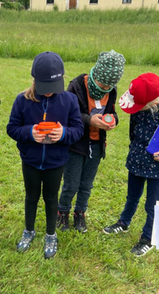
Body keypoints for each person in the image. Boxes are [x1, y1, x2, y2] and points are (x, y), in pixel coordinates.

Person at [7, 51, 84, 258]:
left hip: (55, 162)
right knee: (31, 197)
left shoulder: (69, 100)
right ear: (34, 80)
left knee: (51, 198)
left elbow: (78, 129)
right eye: (44, 88)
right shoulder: (22, 100)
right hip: (31, 161)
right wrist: (30, 133)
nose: (49, 93)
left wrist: (64, 133)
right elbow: (12, 128)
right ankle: (29, 231)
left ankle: (51, 234)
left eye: (53, 88)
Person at [57, 50, 125, 233]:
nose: (105, 88)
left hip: (96, 145)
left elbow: (112, 111)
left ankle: (80, 213)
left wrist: (113, 120)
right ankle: (62, 212)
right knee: (71, 184)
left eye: (109, 86)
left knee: (86, 184)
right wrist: (89, 120)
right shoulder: (77, 86)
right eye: (102, 84)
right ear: (95, 74)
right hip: (75, 145)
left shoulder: (111, 90)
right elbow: (66, 114)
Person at [103, 73, 159, 257]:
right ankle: (123, 222)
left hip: (156, 168)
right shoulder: (138, 110)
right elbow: (133, 132)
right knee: (132, 196)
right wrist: (134, 150)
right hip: (136, 160)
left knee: (153, 205)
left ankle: (148, 238)